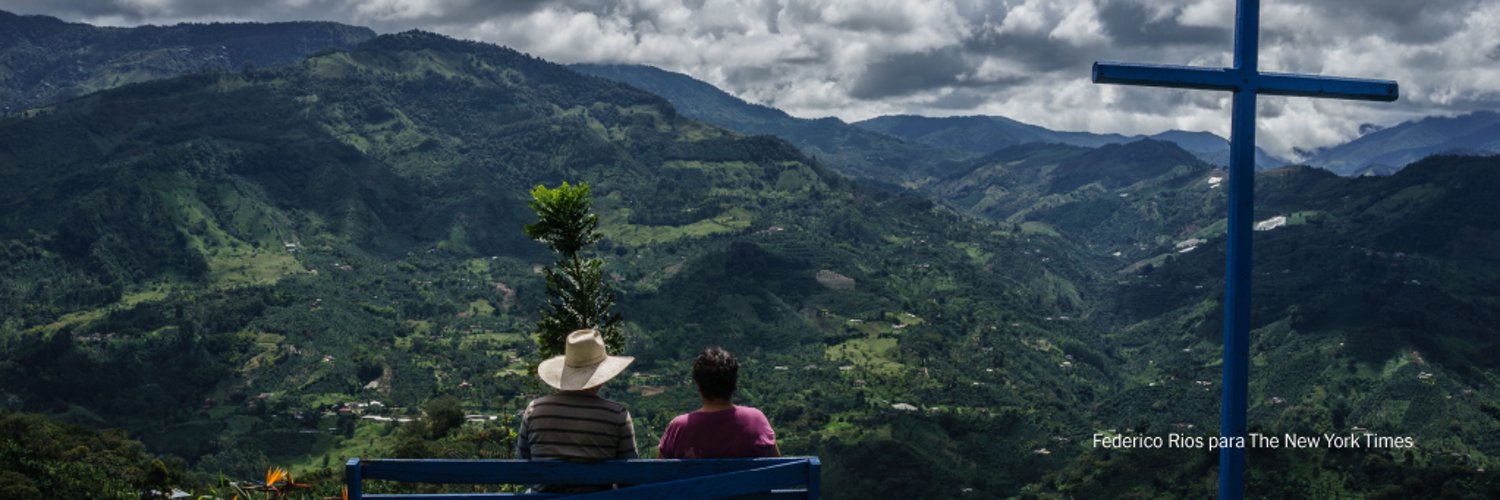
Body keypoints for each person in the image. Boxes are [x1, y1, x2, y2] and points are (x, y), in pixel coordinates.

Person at [516, 329, 638, 490]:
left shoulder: (535, 410)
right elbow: (629, 476)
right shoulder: (617, 415)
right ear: (602, 376)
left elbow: (524, 465)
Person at [658, 347, 780, 458]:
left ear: (699, 386)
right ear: (734, 384)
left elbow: (657, 474)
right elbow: (777, 470)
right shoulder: (756, 420)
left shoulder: (678, 428)